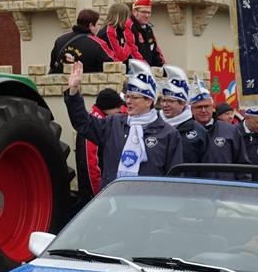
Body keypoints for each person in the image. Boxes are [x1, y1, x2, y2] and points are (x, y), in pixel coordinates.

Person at [65, 59, 182, 189]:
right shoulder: (113, 124)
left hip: (149, 199)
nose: (128, 101)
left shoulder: (168, 134)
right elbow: (83, 123)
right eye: (127, 97)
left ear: (149, 101)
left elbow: (175, 180)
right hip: (115, 198)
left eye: (134, 97)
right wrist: (73, 91)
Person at [189, 77, 249, 180]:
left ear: (212, 107)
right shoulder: (184, 132)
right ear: (191, 109)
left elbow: (242, 166)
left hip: (225, 188)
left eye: (207, 106)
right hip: (194, 188)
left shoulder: (230, 131)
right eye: (198, 107)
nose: (203, 110)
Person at [75, 88, 125, 207]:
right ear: (107, 109)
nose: (120, 111)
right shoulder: (95, 126)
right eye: (117, 108)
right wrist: (100, 197)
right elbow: (92, 167)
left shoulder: (97, 119)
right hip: (94, 196)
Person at [159, 65, 208, 170]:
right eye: (163, 100)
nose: (165, 105)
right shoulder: (155, 127)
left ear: (182, 104)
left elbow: (206, 167)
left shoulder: (199, 132)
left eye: (170, 101)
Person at [48, 9, 114, 74]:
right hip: (86, 80)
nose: (98, 28)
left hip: (63, 80)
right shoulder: (98, 43)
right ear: (91, 25)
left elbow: (53, 65)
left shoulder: (60, 40)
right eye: (97, 24)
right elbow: (112, 65)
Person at [130, 0, 165, 67]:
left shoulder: (148, 29)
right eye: (143, 12)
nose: (147, 15)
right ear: (134, 12)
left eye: (149, 12)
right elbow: (132, 52)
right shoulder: (129, 28)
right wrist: (145, 68)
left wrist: (164, 68)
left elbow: (155, 52)